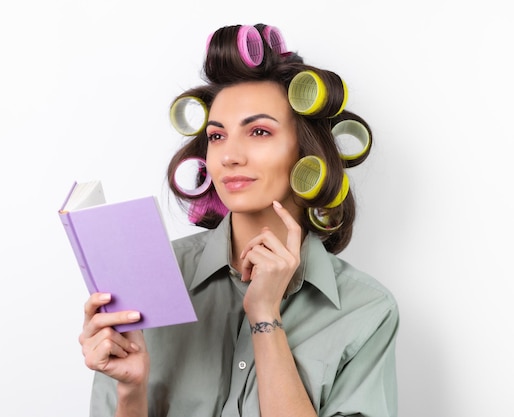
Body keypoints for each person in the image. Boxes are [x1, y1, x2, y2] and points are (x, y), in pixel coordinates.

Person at [79, 23, 399, 417]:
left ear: (306, 152)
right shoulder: (151, 274)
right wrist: (131, 391)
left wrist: (265, 317)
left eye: (259, 131)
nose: (229, 155)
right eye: (216, 136)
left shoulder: (366, 309)